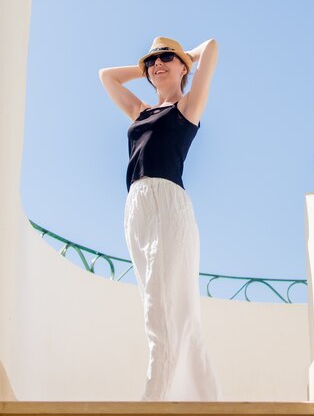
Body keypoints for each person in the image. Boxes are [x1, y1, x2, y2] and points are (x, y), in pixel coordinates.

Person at [99, 36, 223, 401]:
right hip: (136, 207)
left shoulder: (187, 107)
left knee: (161, 304)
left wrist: (187, 56)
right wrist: (147, 70)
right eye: (152, 60)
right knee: (167, 306)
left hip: (167, 203)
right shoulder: (141, 111)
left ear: (184, 66)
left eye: (167, 57)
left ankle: (154, 398)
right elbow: (106, 76)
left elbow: (212, 47)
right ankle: (204, 398)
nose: (158, 63)